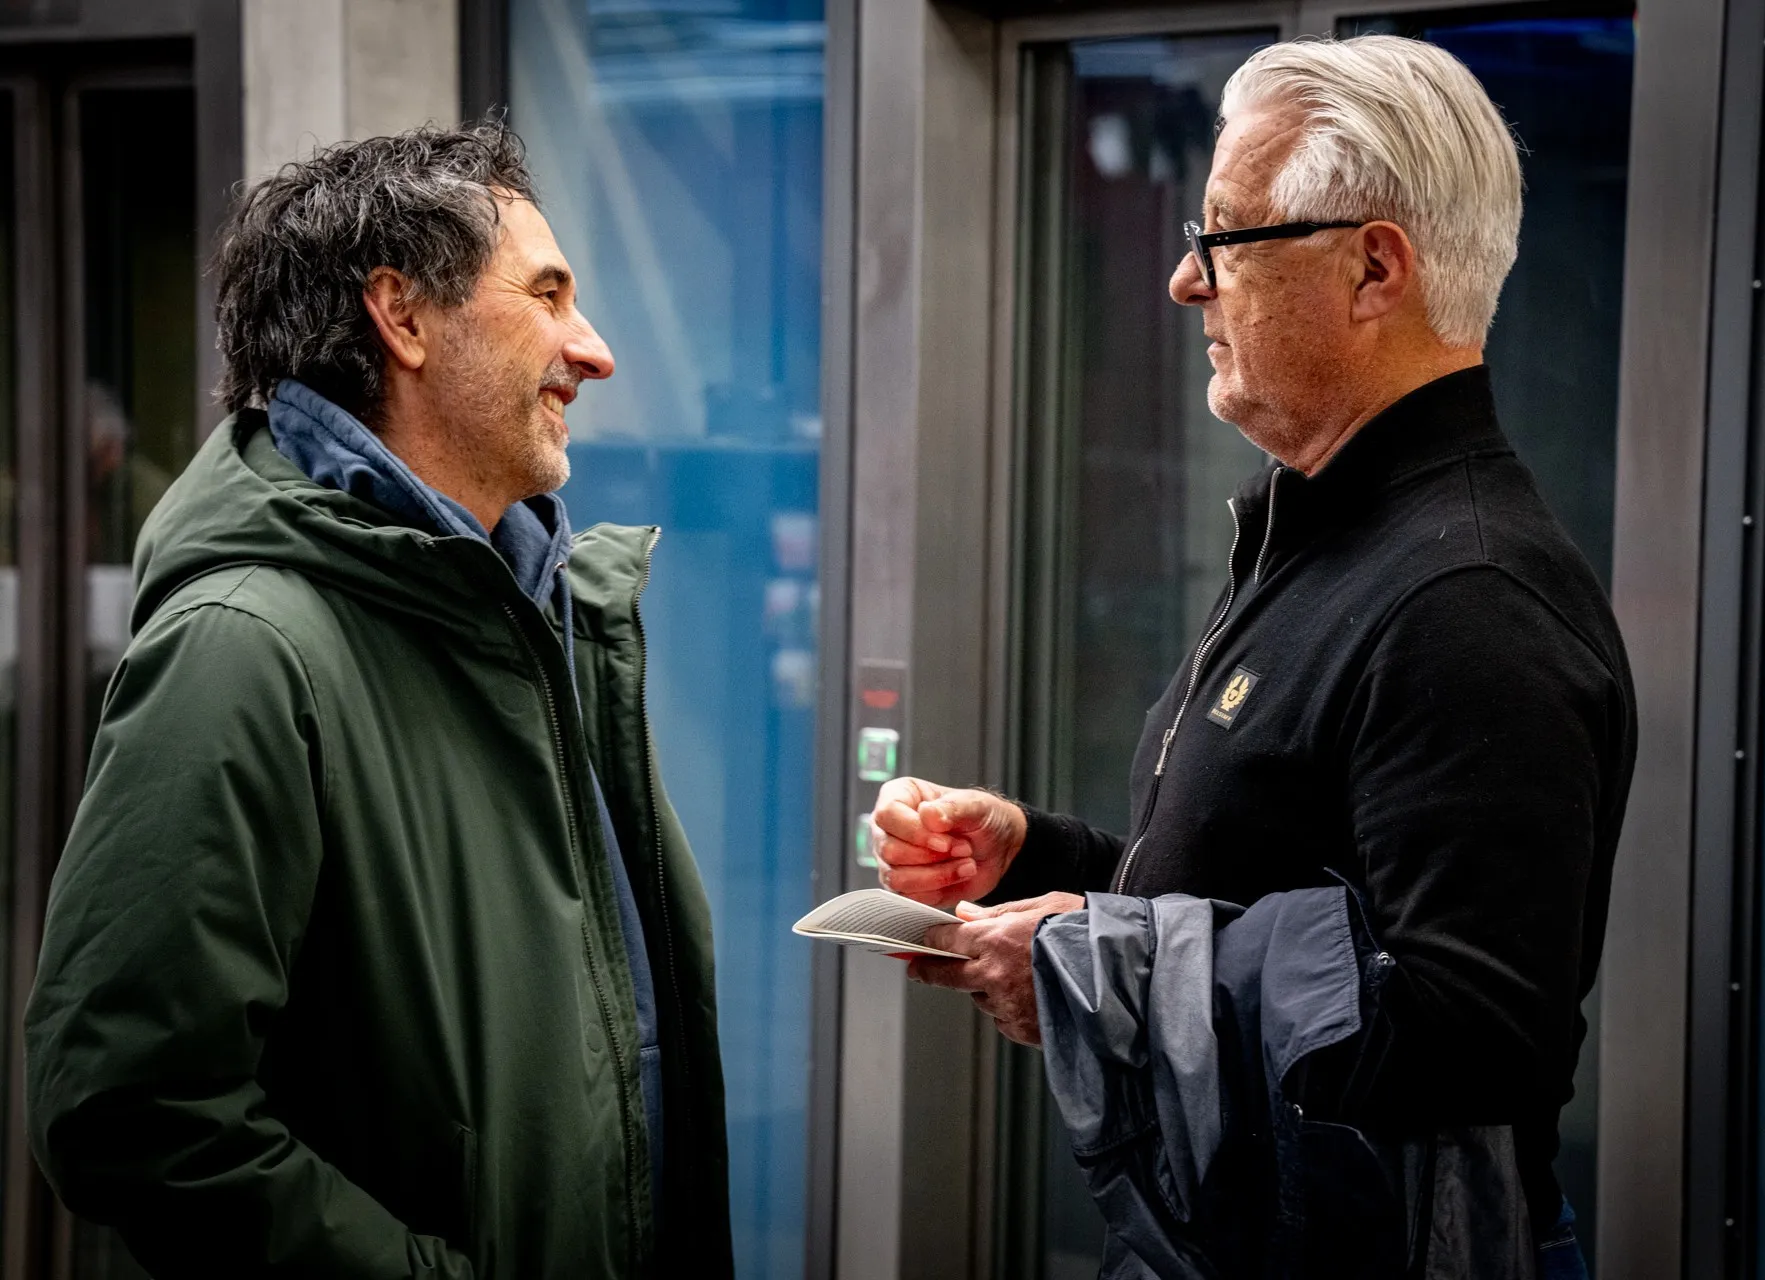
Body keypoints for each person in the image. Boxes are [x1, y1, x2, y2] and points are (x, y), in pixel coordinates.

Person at [872, 35, 1633, 1277]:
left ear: (1373, 268)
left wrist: (1092, 972)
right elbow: (1270, 888)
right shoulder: (1327, 534)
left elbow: (1471, 1026)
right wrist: (1042, 861)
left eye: (1224, 235)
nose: (1186, 280)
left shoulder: (1469, 597)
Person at [26, 121, 731, 1277]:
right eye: (548, 295)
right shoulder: (244, 649)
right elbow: (128, 1108)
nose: (593, 350)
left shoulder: (536, 611)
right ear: (401, 316)